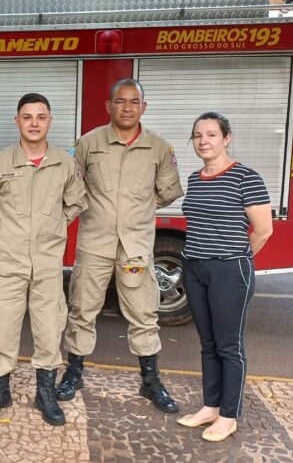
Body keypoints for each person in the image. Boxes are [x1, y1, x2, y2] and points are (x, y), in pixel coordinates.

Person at [58, 78, 184, 413]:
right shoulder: (89, 143)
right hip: (95, 243)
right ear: (109, 106)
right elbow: (72, 181)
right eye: (120, 101)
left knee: (143, 312)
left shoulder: (159, 148)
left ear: (143, 107)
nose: (127, 108)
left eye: (134, 102)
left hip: (136, 246)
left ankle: (150, 380)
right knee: (82, 309)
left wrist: (137, 209)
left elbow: (168, 191)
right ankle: (73, 373)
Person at [0, 93, 87, 426]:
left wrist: (50, 227)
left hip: (48, 265)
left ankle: (46, 393)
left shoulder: (65, 163)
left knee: (49, 329)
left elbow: (75, 203)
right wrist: (11, 230)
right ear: (17, 121)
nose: (34, 123)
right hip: (9, 263)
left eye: (41, 116)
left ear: (49, 120)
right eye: (27, 117)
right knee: (2, 327)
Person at [176, 112, 273, 442]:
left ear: (226, 138)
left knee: (230, 347)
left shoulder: (246, 177)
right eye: (198, 136)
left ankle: (229, 416)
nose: (204, 141)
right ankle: (211, 407)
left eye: (212, 135)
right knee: (208, 344)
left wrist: (236, 261)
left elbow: (262, 230)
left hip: (229, 270)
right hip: (194, 268)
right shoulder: (194, 177)